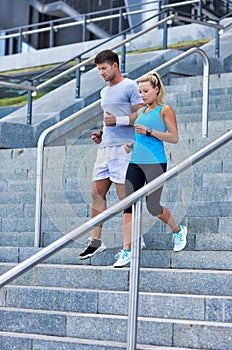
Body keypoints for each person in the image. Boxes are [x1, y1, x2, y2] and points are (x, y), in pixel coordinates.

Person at [113, 72, 188, 267]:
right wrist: (132, 144)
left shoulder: (165, 110)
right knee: (128, 205)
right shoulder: (141, 112)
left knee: (152, 207)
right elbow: (140, 137)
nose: (142, 95)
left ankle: (178, 230)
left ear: (156, 89)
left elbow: (174, 137)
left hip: (155, 162)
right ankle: (127, 250)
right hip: (135, 161)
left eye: (145, 91)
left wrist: (149, 132)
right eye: (139, 91)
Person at [79, 49, 144, 260]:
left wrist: (120, 121)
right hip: (105, 146)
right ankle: (96, 241)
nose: (102, 73)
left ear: (115, 66)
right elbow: (109, 118)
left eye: (104, 68)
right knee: (96, 193)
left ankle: (135, 238)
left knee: (124, 196)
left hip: (124, 147)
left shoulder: (130, 86)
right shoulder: (104, 92)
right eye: (99, 70)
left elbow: (142, 114)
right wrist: (101, 132)